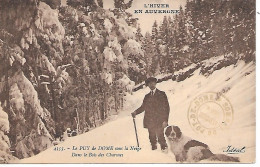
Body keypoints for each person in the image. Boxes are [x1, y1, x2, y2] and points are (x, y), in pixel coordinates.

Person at [131, 77, 170, 151]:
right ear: (148, 85)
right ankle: (154, 154)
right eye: (149, 83)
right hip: (150, 121)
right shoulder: (147, 96)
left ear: (155, 83)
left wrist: (165, 120)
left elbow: (167, 108)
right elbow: (143, 107)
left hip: (160, 120)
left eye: (153, 83)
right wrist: (135, 112)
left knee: (161, 137)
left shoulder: (162, 94)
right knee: (152, 139)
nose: (151, 85)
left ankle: (165, 154)